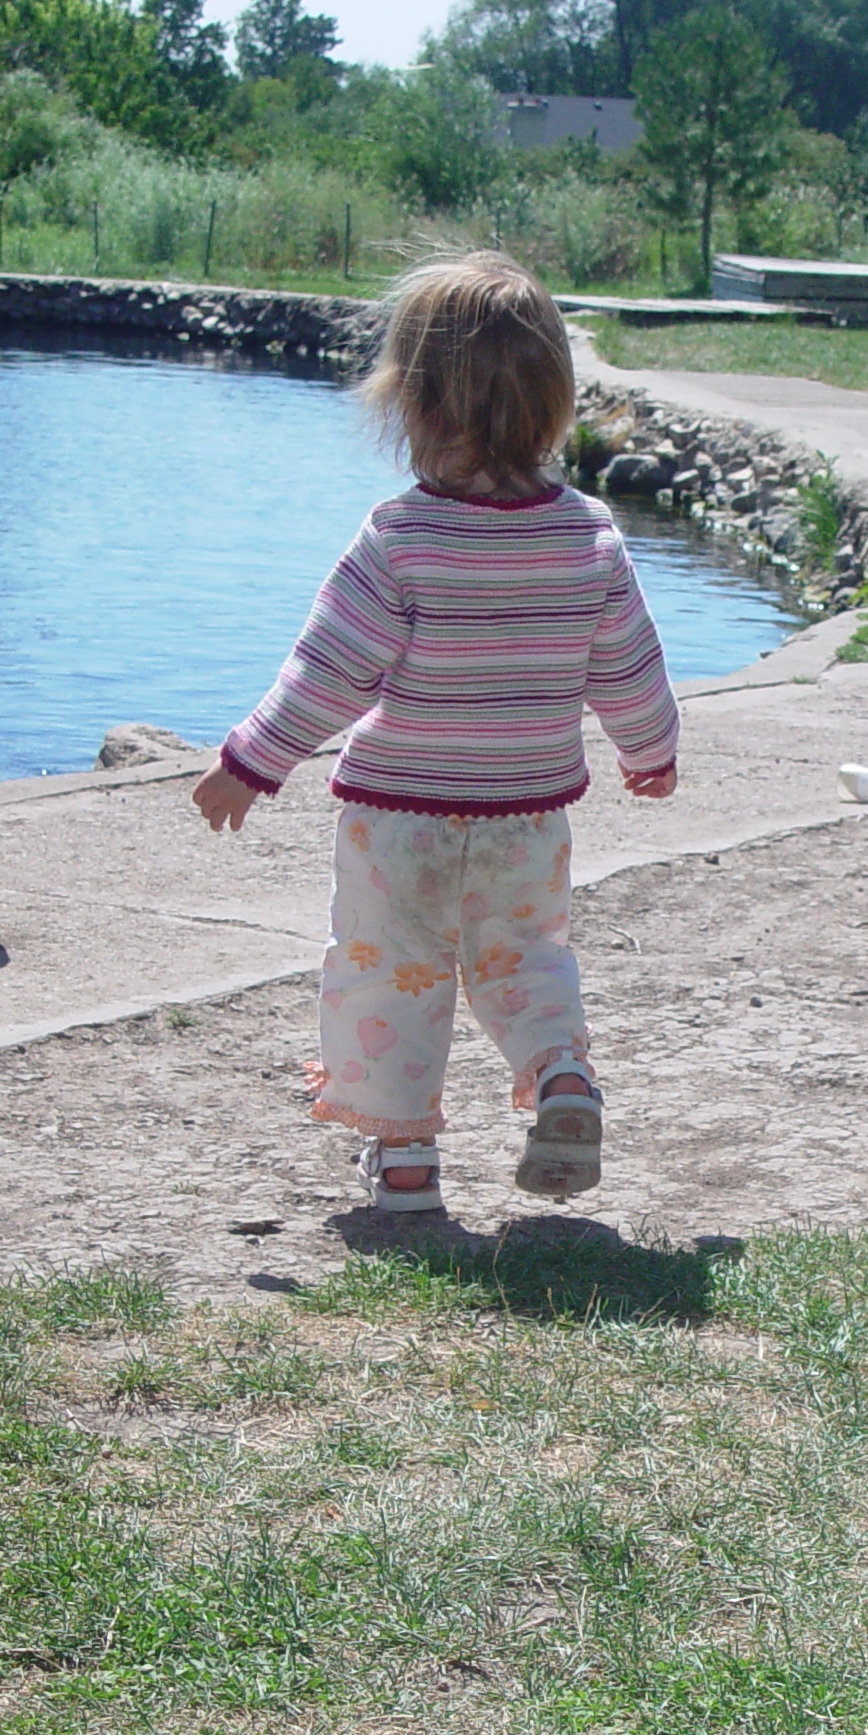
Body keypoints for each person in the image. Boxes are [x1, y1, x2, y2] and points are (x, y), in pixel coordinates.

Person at [190, 250, 680, 1212]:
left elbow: (329, 672)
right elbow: (628, 669)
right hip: (526, 817)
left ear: (409, 403)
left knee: (390, 974)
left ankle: (406, 1163)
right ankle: (560, 1077)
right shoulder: (587, 539)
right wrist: (648, 751)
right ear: (556, 400)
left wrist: (252, 762)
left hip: (398, 818)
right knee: (526, 957)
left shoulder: (401, 537)